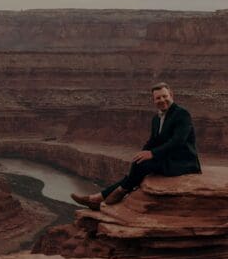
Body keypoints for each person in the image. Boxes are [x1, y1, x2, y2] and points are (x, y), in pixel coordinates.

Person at [71, 82, 201, 210]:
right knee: (137, 164)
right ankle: (97, 197)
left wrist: (152, 153)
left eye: (164, 96)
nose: (162, 100)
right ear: (154, 100)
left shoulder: (182, 114)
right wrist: (143, 152)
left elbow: (178, 141)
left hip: (182, 162)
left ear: (171, 95)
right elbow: (153, 141)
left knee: (139, 167)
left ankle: (118, 192)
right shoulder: (157, 119)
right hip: (167, 157)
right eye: (158, 98)